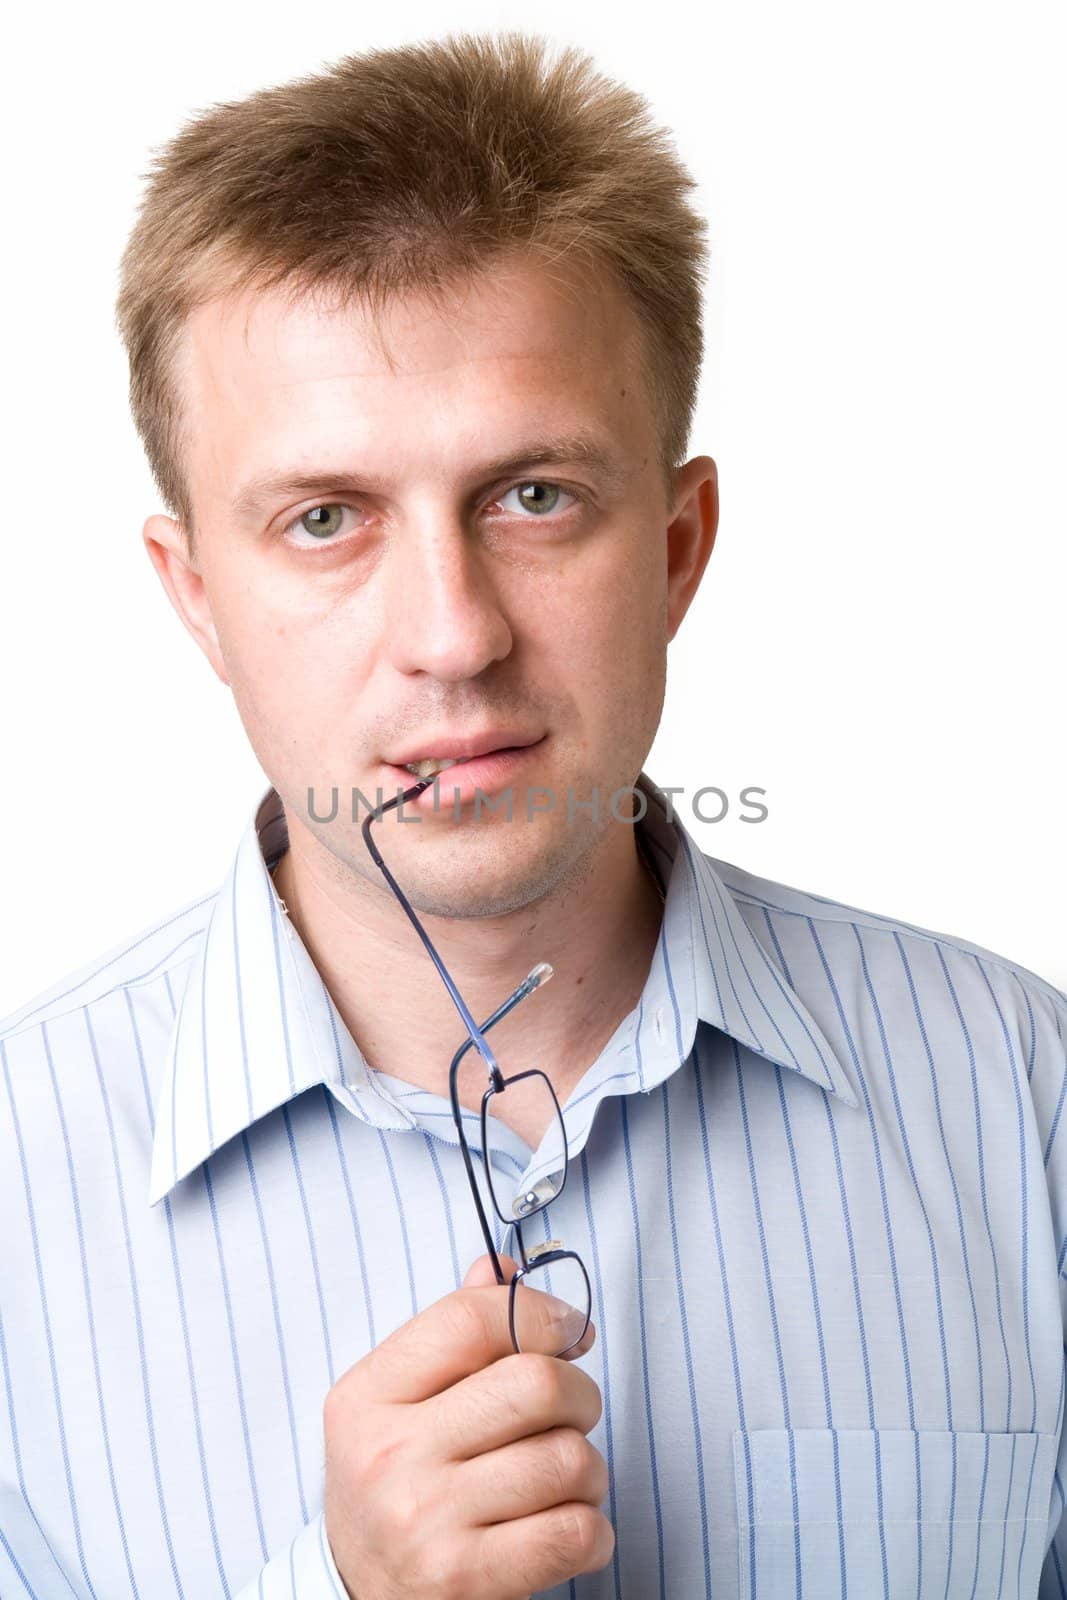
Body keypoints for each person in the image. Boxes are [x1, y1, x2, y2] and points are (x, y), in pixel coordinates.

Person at [1, 27, 1065, 1600]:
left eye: (534, 497)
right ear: (198, 598)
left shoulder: (1027, 1103)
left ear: (679, 545)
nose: (455, 633)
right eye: (323, 519)